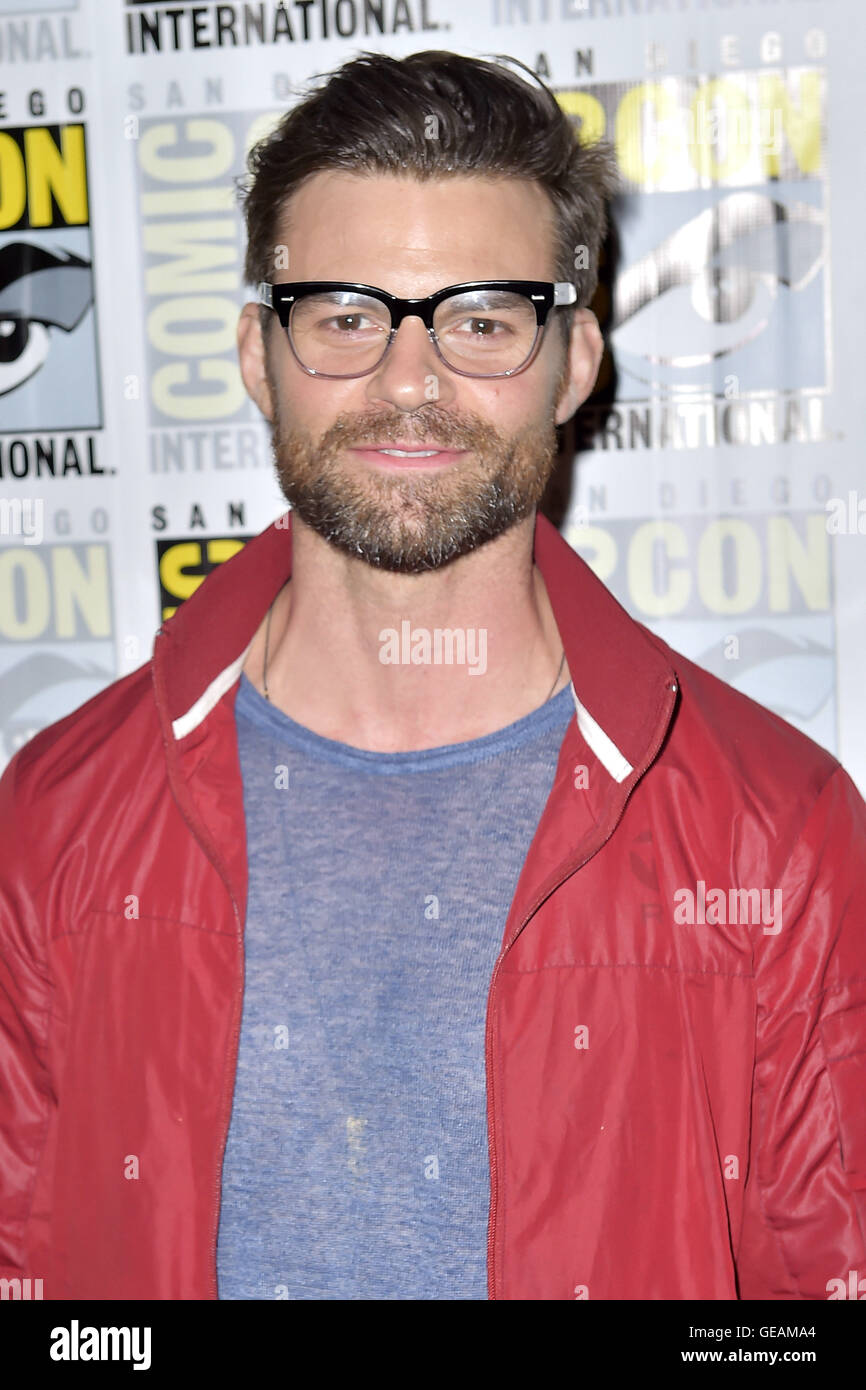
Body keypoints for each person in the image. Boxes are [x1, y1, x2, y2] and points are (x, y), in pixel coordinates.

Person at [1, 50, 864, 1303]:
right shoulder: (56, 815)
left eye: (480, 322)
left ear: (571, 363)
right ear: (258, 354)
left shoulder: (772, 834)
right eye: (346, 317)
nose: (410, 383)